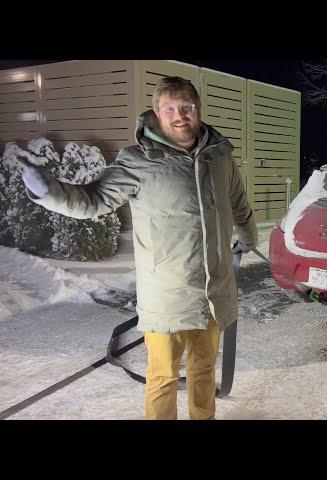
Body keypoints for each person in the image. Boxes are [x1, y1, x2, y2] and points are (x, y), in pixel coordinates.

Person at [20, 76, 257, 420]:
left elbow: (238, 202)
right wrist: (48, 192)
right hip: (166, 296)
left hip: (214, 293)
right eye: (170, 109)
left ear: (198, 109)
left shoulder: (220, 157)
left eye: (186, 108)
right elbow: (94, 201)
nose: (180, 116)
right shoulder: (137, 161)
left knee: (204, 372)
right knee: (162, 378)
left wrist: (248, 237)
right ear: (157, 114)